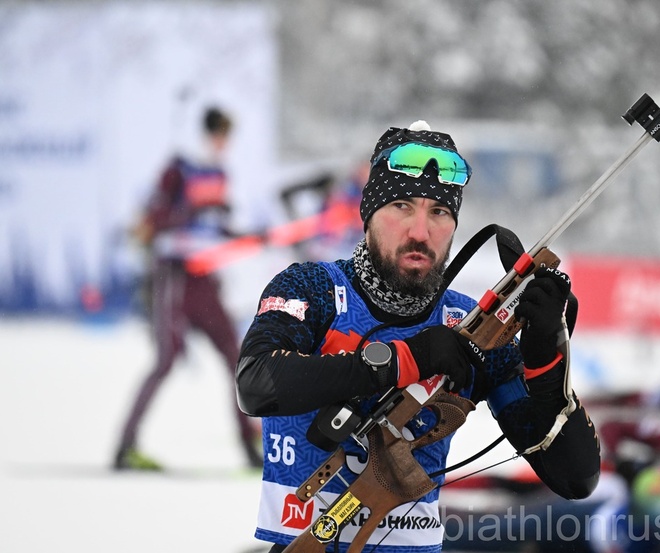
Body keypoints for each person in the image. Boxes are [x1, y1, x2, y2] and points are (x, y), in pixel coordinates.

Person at [235, 121, 601, 552]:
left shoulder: (468, 324)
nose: (420, 232)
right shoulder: (313, 289)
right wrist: (405, 359)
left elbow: (575, 478)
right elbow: (256, 384)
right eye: (402, 206)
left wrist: (545, 360)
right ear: (368, 215)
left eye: (439, 212)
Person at [113, 106, 262, 471]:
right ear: (205, 134)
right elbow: (154, 219)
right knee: (167, 359)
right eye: (219, 135)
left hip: (205, 279)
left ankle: (250, 446)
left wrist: (247, 235)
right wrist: (192, 211)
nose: (223, 143)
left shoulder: (220, 172)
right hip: (175, 275)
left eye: (227, 137)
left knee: (237, 358)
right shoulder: (178, 168)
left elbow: (215, 226)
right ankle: (125, 447)